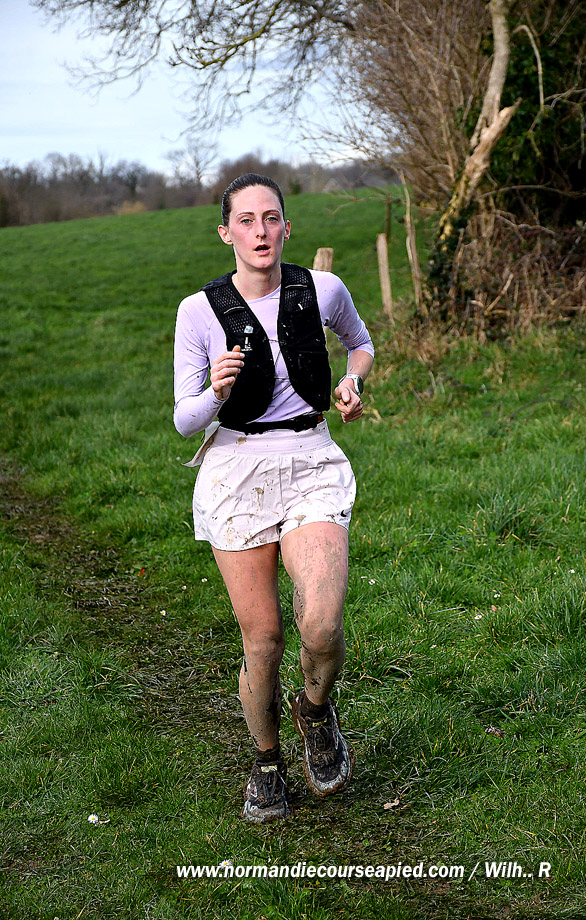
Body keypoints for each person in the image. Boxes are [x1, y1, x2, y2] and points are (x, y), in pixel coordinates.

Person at [173, 174, 374, 823]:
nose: (259, 231)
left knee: (322, 624)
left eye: (270, 218)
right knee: (263, 639)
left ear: (286, 227)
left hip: (311, 458)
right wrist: (215, 393)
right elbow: (183, 419)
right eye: (246, 220)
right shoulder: (198, 311)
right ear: (225, 232)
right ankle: (266, 760)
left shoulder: (323, 289)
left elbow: (361, 344)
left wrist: (351, 383)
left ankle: (313, 711)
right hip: (236, 469)